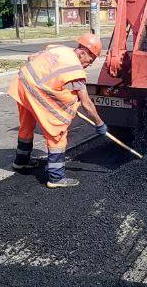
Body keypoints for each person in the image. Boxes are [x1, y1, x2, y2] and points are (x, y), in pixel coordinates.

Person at [8, 34, 108, 188]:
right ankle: (56, 178)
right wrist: (99, 124)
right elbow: (86, 103)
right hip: (33, 92)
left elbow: (31, 57)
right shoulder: (75, 69)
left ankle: (21, 162)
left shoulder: (59, 48)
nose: (89, 65)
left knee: (26, 126)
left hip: (21, 85)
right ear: (83, 52)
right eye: (90, 60)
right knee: (57, 131)